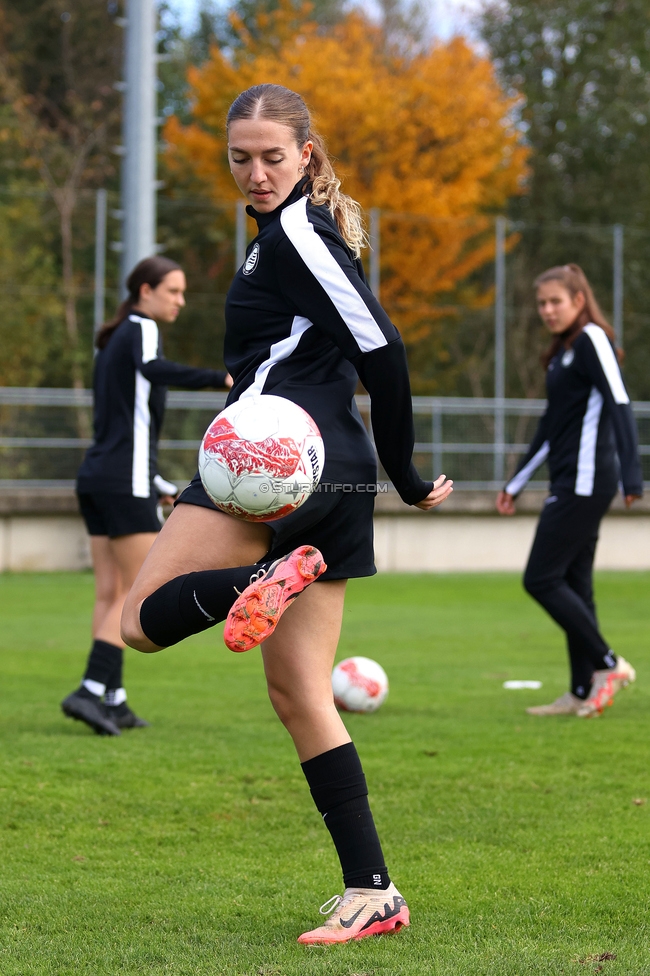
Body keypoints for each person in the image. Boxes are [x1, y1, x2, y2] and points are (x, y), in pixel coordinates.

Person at [120, 84, 453, 943]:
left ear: (307, 154)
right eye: (241, 158)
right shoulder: (285, 237)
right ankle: (373, 891)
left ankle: (257, 578)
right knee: (302, 691)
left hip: (273, 463)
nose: (257, 172)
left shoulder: (300, 231)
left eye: (273, 156)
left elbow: (384, 344)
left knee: (139, 624)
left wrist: (409, 473)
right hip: (329, 475)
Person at [61, 257, 231, 737]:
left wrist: (157, 487)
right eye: (173, 291)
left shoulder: (111, 339)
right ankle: (91, 689)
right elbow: (155, 370)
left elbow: (120, 427)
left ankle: (112, 699)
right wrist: (220, 378)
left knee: (110, 593)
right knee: (138, 594)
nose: (179, 300)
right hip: (122, 480)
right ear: (145, 292)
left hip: (98, 478)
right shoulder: (140, 328)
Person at [496, 263, 643, 718]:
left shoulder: (593, 339)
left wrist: (632, 476)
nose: (547, 310)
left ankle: (606, 663)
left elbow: (619, 402)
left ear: (579, 301)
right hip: (568, 480)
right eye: (541, 303)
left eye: (555, 301)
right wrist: (515, 483)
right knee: (576, 585)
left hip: (586, 482)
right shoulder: (563, 353)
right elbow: (550, 426)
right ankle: (583, 690)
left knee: (540, 578)